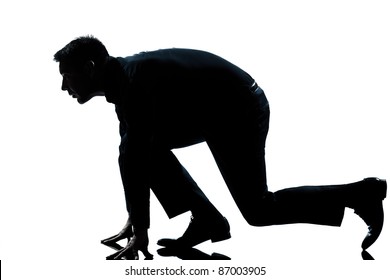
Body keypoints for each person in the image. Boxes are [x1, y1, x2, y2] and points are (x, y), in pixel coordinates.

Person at [54, 36, 386, 260]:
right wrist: (135, 218)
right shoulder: (124, 82)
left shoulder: (133, 84)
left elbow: (134, 155)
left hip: (240, 110)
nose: (63, 86)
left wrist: (140, 230)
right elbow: (131, 156)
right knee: (137, 148)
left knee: (259, 210)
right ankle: (207, 220)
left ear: (90, 68)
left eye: (67, 76)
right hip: (213, 110)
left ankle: (361, 194)